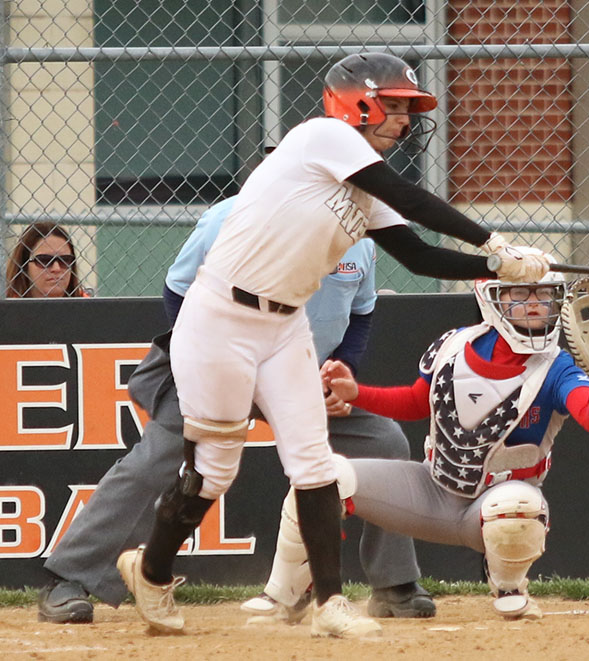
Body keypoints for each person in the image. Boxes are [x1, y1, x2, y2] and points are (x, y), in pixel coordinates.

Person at [116, 51, 550, 639]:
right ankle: (151, 570)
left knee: (313, 462)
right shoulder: (322, 136)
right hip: (219, 316)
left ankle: (329, 604)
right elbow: (412, 198)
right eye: (393, 106)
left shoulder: (362, 190)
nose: (402, 120)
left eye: (405, 109)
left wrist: (499, 270)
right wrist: (495, 241)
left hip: (284, 326)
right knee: (215, 470)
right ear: (358, 101)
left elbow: (418, 255)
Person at [38, 197, 435, 624]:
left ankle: (394, 585)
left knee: (384, 441)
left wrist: (344, 372)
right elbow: (177, 289)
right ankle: (69, 576)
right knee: (158, 458)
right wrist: (207, 359)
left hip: (295, 373)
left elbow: (361, 312)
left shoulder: (355, 231)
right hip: (216, 363)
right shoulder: (229, 217)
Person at [255, 258, 589, 622]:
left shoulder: (557, 366)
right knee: (321, 478)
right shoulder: (454, 345)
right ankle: (286, 594)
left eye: (544, 294)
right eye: (520, 293)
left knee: (518, 507)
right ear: (492, 299)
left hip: (492, 507)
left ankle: (509, 585)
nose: (535, 303)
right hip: (431, 489)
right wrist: (355, 393)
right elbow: (416, 402)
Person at [6, 221, 87, 298]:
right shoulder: (7, 308)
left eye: (65, 260)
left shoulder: (88, 307)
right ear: (24, 265)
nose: (56, 268)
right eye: (44, 260)